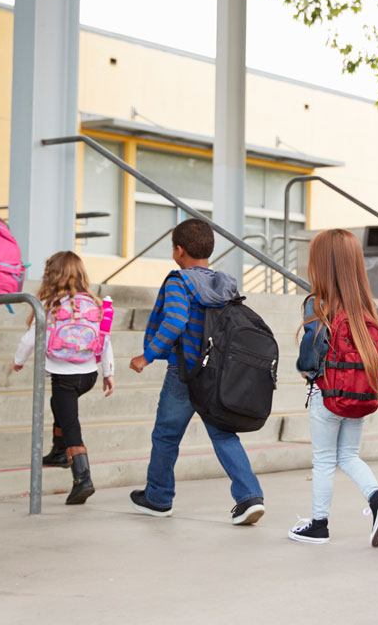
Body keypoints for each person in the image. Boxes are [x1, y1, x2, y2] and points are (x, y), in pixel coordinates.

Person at [127, 218, 266, 525]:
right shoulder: (225, 283)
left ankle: (158, 498)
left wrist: (146, 356)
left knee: (165, 436)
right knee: (223, 434)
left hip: (184, 375)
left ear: (179, 251)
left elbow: (175, 321)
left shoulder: (180, 282)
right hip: (217, 374)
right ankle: (249, 497)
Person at [288, 229, 378, 547]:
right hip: (360, 393)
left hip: (328, 395)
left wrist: (307, 371)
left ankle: (318, 524)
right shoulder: (371, 310)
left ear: (320, 265)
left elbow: (312, 350)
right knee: (349, 455)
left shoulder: (317, 305)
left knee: (323, 459)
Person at [12, 251, 115, 505]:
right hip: (89, 373)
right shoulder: (95, 303)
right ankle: (59, 451)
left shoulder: (50, 305)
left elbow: (30, 339)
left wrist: (18, 360)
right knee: (58, 405)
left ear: (52, 275)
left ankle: (83, 479)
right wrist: (108, 372)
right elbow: (105, 340)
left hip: (64, 376)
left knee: (71, 425)